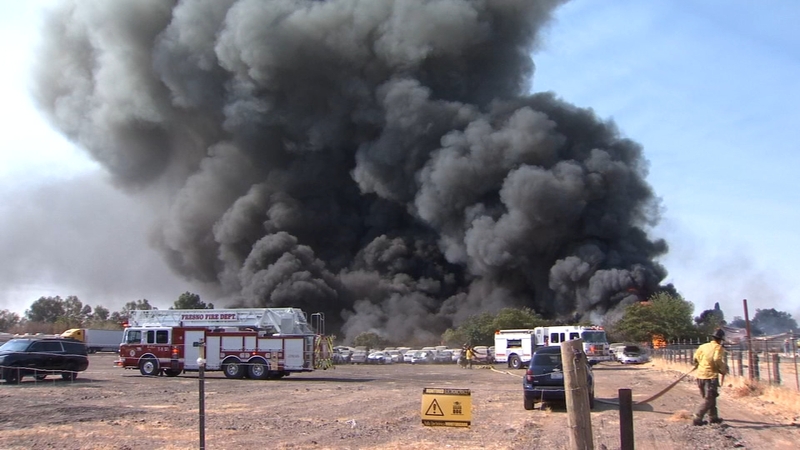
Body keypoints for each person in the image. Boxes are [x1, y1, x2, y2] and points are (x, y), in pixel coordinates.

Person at [692, 328, 728, 426]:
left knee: (710, 397)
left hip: (700, 376)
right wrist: (723, 369)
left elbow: (695, 358)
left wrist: (700, 364)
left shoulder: (703, 346)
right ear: (721, 339)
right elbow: (716, 359)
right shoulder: (718, 348)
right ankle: (697, 417)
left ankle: (713, 417)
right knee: (709, 399)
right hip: (710, 376)